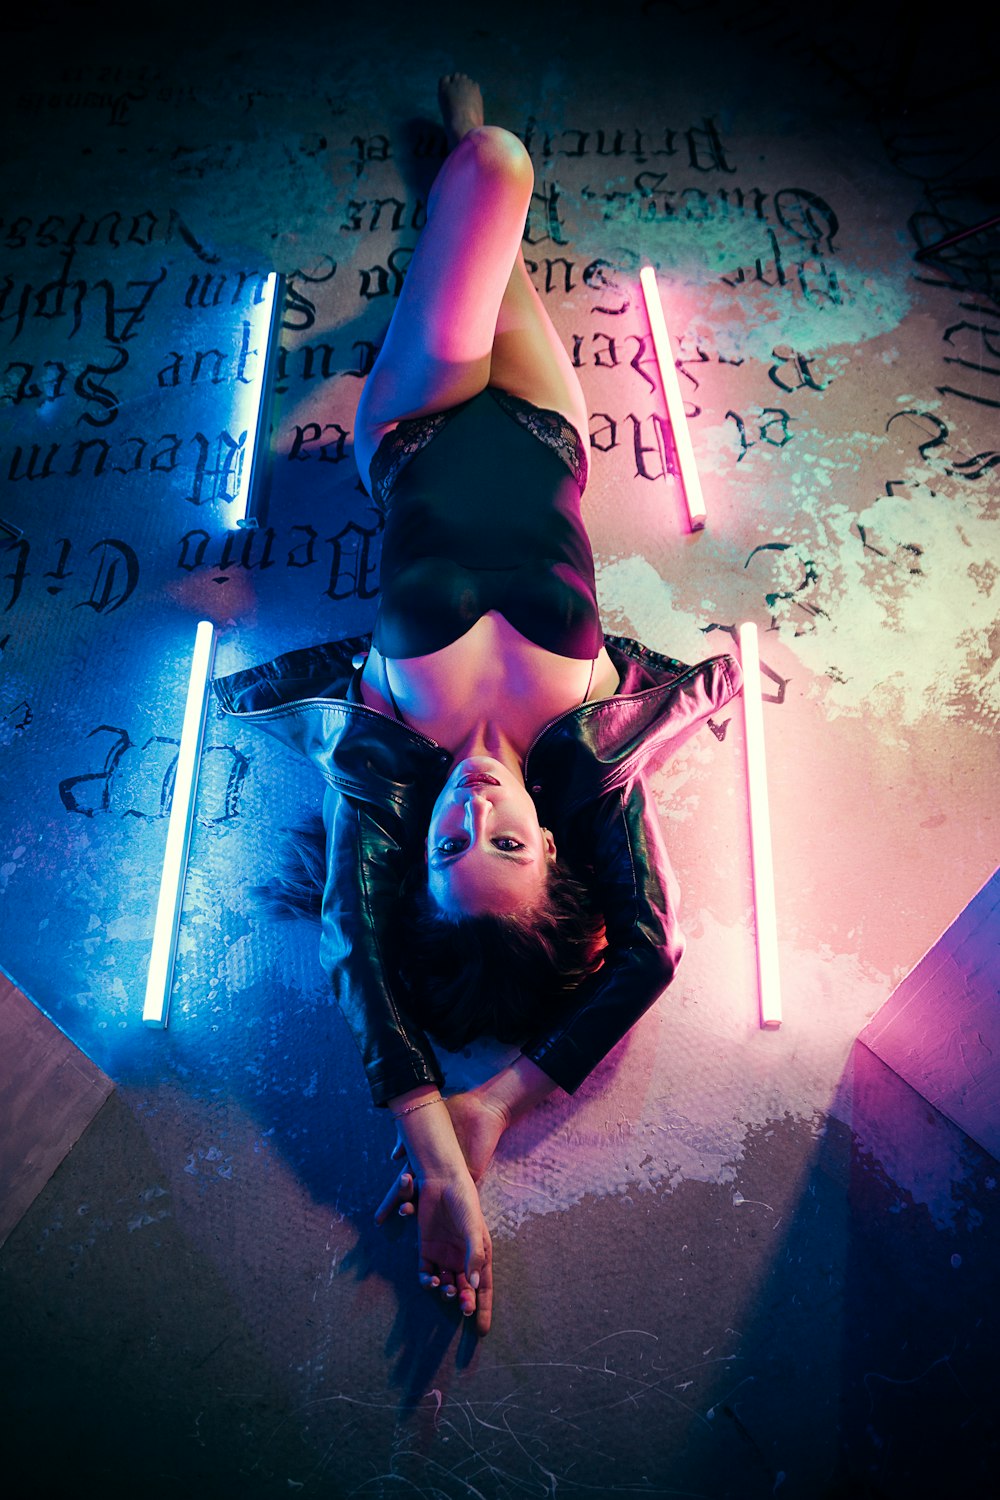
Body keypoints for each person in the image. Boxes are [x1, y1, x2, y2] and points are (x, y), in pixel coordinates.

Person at [214, 76, 742, 1335]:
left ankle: (457, 171)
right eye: (508, 843)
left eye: (450, 849)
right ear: (555, 851)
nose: (475, 810)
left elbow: (358, 942)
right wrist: (497, 1106)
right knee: (484, 207)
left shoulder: (393, 751)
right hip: (552, 434)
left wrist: (439, 1154)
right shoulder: (593, 744)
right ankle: (447, 174)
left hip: (416, 423)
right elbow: (655, 953)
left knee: (496, 169)